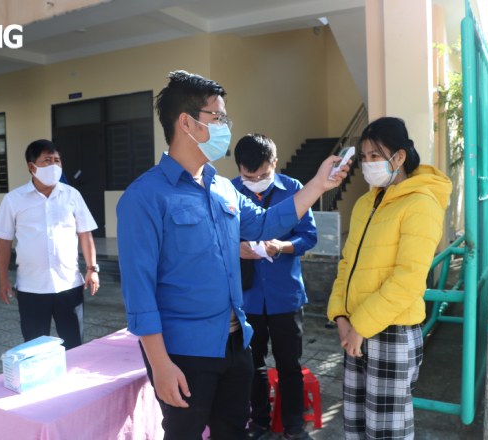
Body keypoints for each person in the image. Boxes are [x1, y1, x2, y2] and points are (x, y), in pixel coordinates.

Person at [116, 71, 350, 440]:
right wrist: (160, 366)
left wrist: (319, 184)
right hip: (185, 353)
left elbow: (266, 224)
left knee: (233, 433)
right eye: (218, 117)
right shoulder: (144, 197)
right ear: (187, 123)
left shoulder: (223, 187)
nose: (226, 126)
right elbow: (138, 291)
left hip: (236, 342)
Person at [327, 117, 452, 440]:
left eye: (375, 155)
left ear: (399, 157)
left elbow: (408, 279)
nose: (368, 164)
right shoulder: (365, 202)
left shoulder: (421, 203)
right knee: (356, 425)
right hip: (355, 332)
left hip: (390, 333)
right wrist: (340, 315)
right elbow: (347, 264)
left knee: (387, 432)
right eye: (364, 156)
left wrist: (361, 327)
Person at [231, 133, 317, 440]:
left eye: (263, 175)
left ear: (275, 164)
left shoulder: (294, 189)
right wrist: (237, 246)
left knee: (289, 365)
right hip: (247, 296)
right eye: (248, 176)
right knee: (251, 366)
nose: (255, 181)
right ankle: (259, 423)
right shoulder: (227, 191)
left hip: (286, 295)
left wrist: (282, 245)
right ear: (239, 168)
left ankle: (294, 426)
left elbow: (309, 237)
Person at [0, 139, 100, 350]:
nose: (54, 165)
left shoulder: (72, 195)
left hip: (69, 287)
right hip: (32, 290)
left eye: (57, 160)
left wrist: (92, 269)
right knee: (35, 350)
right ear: (32, 167)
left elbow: (85, 235)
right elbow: (3, 243)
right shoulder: (14, 199)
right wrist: (3, 279)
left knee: (75, 347)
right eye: (47, 160)